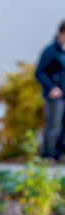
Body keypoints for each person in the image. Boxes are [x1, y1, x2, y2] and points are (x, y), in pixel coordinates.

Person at [35, 21, 65, 162]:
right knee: (53, 124)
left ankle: (59, 153)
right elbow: (39, 72)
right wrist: (51, 87)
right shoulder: (51, 51)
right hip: (55, 96)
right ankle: (47, 155)